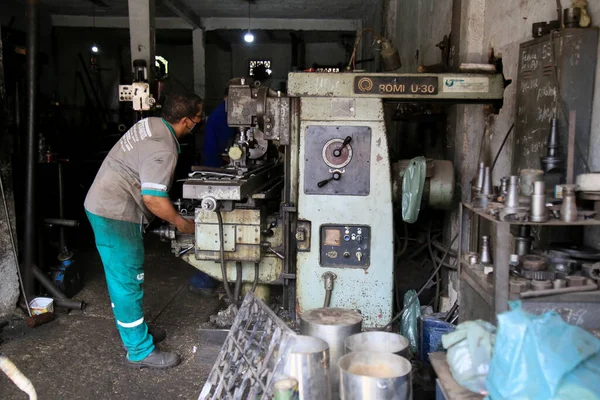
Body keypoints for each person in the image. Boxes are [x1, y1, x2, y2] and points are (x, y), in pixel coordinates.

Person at [84, 92, 202, 369]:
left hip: (103, 202)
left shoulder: (151, 123)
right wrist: (183, 224)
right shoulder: (164, 148)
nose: (199, 123)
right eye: (198, 119)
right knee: (126, 283)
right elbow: (153, 199)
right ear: (185, 121)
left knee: (123, 280)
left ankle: (136, 333)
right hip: (115, 213)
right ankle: (138, 350)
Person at [189, 84, 238, 295]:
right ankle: (203, 279)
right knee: (217, 226)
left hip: (221, 171)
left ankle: (210, 277)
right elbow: (229, 149)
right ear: (228, 95)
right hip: (216, 173)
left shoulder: (227, 113)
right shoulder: (223, 115)